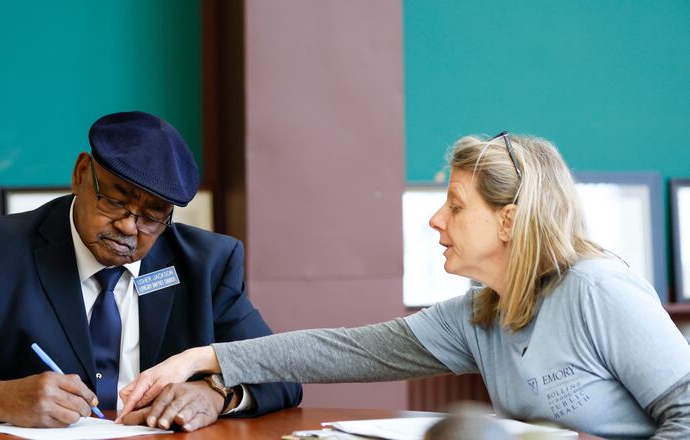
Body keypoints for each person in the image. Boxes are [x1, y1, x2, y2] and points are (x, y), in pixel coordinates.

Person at [116, 133, 690, 438]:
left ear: (509, 221)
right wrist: (205, 357)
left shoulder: (596, 290)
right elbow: (349, 350)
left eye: (455, 206)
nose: (436, 220)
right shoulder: (480, 313)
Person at [0, 111, 301, 429]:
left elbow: (281, 374)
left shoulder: (207, 263)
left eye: (151, 217)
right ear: (80, 174)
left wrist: (216, 394)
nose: (128, 226)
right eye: (115, 201)